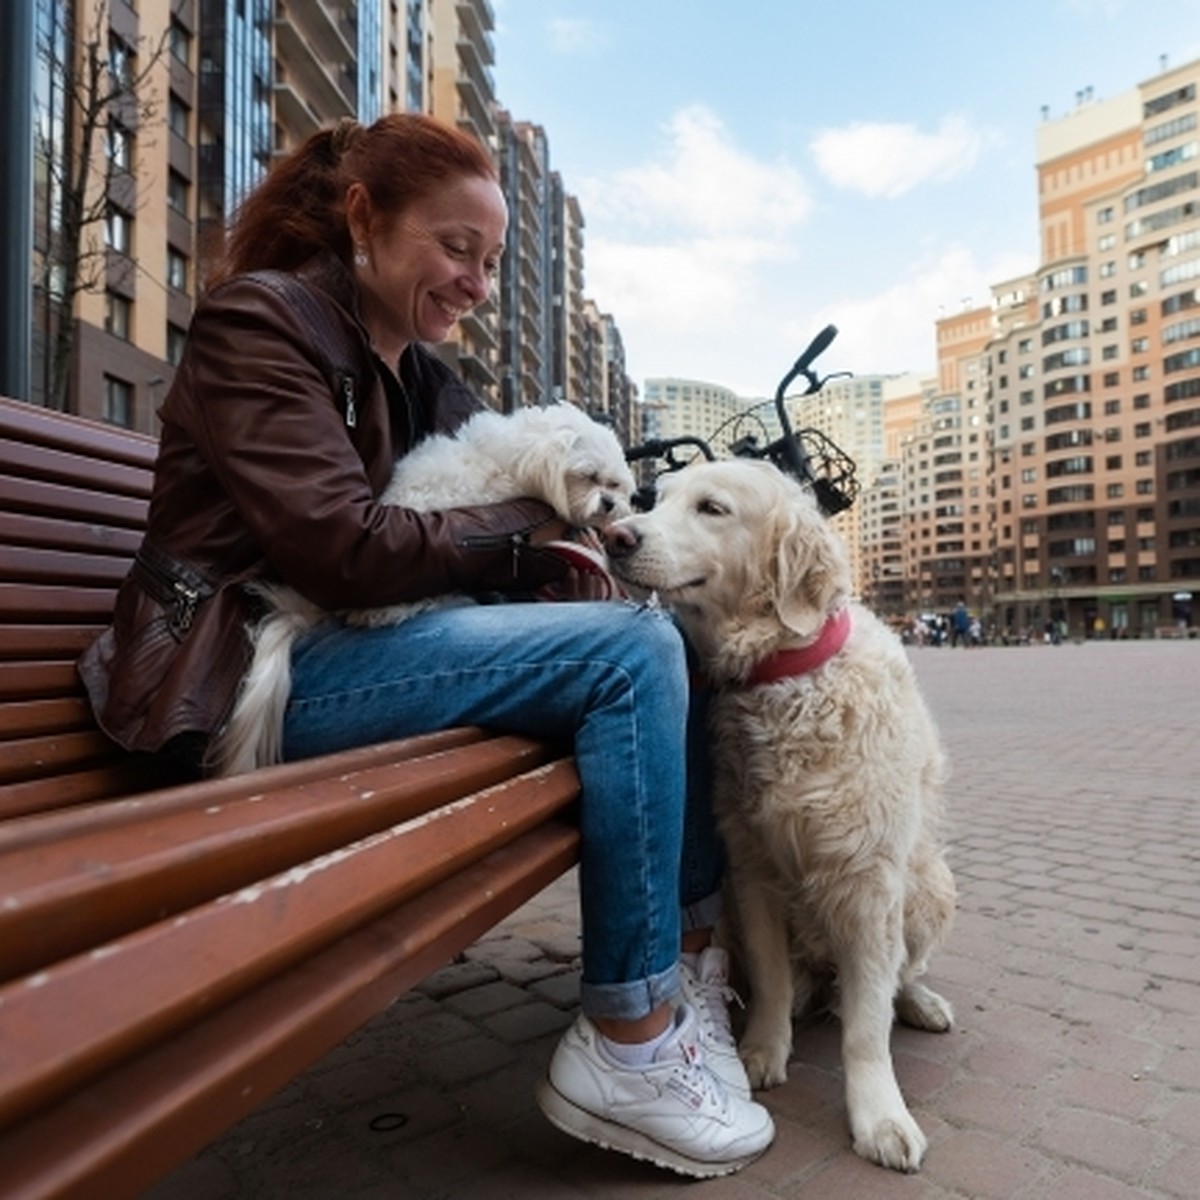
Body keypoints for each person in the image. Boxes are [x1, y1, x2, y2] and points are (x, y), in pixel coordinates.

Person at [77, 113, 774, 1178]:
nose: (477, 285)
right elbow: (349, 555)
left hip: (351, 649)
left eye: (491, 263)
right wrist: (535, 529)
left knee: (654, 627)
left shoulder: (418, 374)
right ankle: (629, 1042)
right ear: (365, 219)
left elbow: (460, 530)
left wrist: (563, 552)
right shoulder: (258, 327)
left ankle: (681, 984)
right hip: (245, 677)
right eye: (457, 250)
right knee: (628, 662)